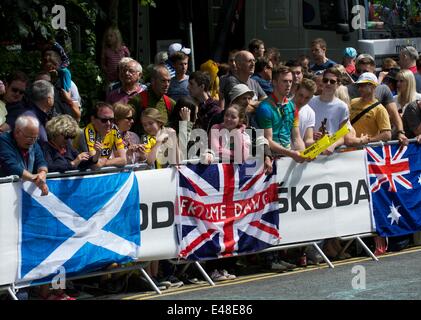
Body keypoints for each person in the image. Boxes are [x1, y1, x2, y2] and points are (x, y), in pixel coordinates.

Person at [347, 54, 408, 145]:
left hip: (370, 147)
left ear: (374, 71)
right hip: (350, 146)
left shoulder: (383, 89)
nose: (362, 74)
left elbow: (394, 114)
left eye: (365, 71)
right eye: (359, 71)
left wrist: (401, 133)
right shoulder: (347, 89)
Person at [255, 65, 306, 162]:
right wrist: (291, 153)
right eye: (284, 81)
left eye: (290, 81)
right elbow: (268, 140)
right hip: (270, 158)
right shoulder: (265, 108)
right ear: (274, 82)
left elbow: (296, 137)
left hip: (288, 156)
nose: (289, 85)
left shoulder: (292, 106)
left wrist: (304, 153)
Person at [0, 115, 48, 196]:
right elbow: (11, 166)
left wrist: (42, 174)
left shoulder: (33, 141)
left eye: (35, 138)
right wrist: (34, 178)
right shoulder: (3, 140)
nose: (32, 141)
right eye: (29, 137)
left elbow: (41, 161)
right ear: (17, 132)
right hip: (5, 191)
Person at [308, 67, 349, 155]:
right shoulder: (310, 102)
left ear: (338, 84)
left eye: (332, 81)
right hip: (311, 152)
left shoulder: (342, 107)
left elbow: (342, 136)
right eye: (325, 80)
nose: (328, 83)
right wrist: (311, 135)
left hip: (331, 155)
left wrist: (333, 144)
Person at [74, 102, 127, 169]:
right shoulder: (87, 132)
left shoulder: (114, 129)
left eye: (111, 120)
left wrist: (106, 162)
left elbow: (123, 160)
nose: (109, 123)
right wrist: (111, 161)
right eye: (104, 120)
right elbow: (95, 164)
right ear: (93, 119)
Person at [129, 65, 175, 135]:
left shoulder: (170, 103)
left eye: (169, 81)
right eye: (163, 81)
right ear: (153, 81)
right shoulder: (138, 100)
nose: (167, 84)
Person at [168, 96, 198, 161]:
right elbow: (181, 148)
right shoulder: (170, 131)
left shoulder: (195, 130)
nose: (196, 117)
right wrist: (185, 124)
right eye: (194, 114)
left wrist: (209, 153)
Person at [293, 79, 317, 147]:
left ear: (311, 97)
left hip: (298, 154)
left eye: (307, 98)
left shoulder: (310, 113)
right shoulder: (283, 106)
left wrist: (318, 142)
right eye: (300, 95)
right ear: (295, 91)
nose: (302, 100)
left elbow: (308, 140)